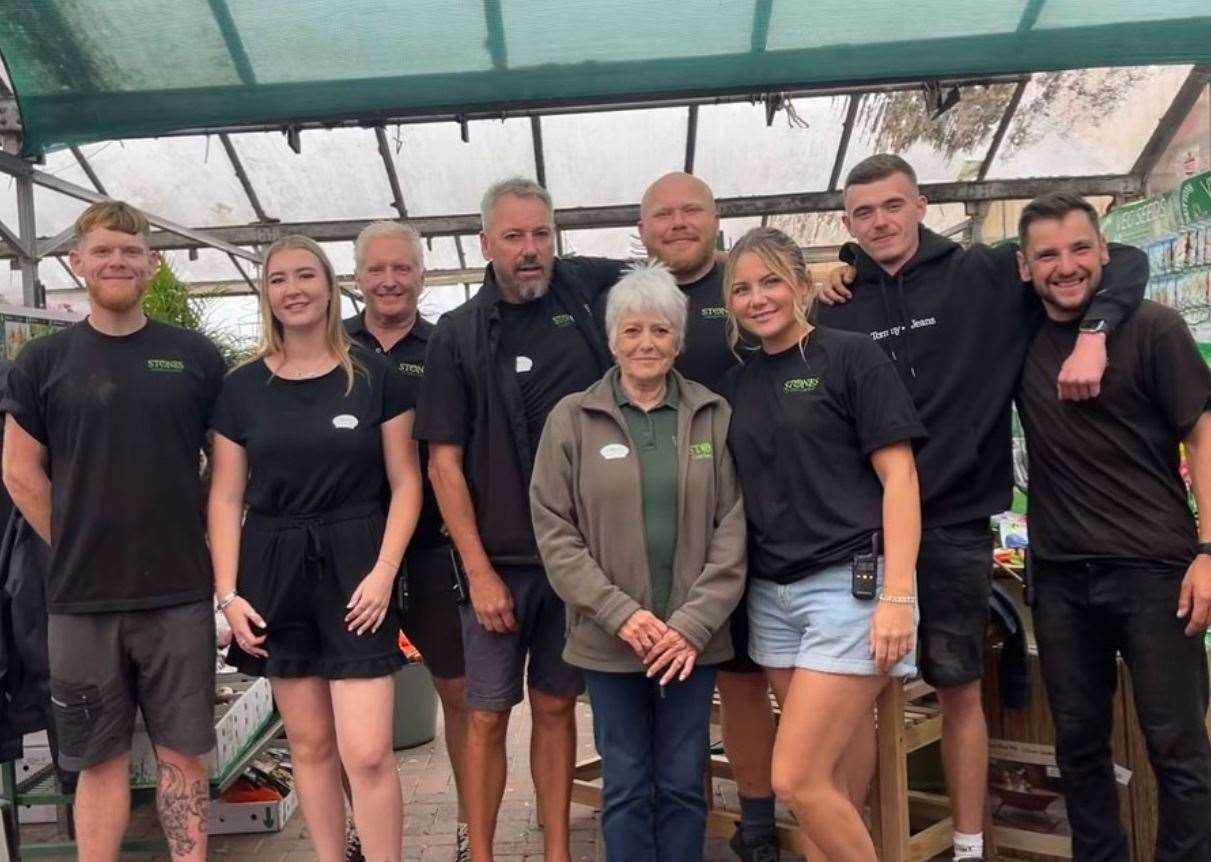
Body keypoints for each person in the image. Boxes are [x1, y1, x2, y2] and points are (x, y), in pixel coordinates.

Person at [816, 154, 1148, 862]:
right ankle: (863, 843)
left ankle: (969, 847)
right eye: (864, 213)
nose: (880, 222)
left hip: (956, 526)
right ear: (847, 224)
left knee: (958, 688)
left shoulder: (987, 274)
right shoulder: (837, 303)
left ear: (921, 205)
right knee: (862, 698)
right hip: (866, 535)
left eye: (892, 205)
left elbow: (1120, 260)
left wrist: (1095, 334)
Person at [1, 201, 226, 862]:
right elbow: (19, 472)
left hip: (180, 593)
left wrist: (197, 519)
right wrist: (72, 541)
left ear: (151, 264)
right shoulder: (43, 360)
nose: (117, 262)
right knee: (95, 761)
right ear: (77, 262)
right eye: (103, 251)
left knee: (184, 755)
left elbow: (228, 463)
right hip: (79, 602)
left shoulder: (193, 356)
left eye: (131, 251)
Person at [414, 177, 613, 862]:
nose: (530, 250)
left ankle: (556, 851)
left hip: (577, 564)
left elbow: (680, 257)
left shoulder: (587, 304)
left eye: (540, 235)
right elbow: (443, 463)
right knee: (486, 715)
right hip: (495, 563)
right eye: (514, 236)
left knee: (557, 709)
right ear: (484, 243)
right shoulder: (458, 334)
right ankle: (484, 853)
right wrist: (478, 571)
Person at [208, 235, 423, 862]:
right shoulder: (241, 387)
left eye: (307, 276)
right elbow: (225, 497)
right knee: (309, 747)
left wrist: (385, 571)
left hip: (359, 562)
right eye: (279, 279)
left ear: (331, 288)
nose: (293, 289)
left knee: (369, 752)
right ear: (266, 293)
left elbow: (407, 481)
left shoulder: (374, 376)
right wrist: (228, 593)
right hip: (273, 565)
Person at [1014, 192, 1211, 861]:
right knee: (1079, 748)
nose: (1064, 266)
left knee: (1177, 748)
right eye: (1046, 254)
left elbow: (1202, 436)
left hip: (1156, 571)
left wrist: (1208, 550)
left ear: (1104, 252)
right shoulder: (1016, 338)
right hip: (1062, 579)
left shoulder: (1153, 329)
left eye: (1078, 249)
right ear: (1023, 267)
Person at [719, 226, 924, 862]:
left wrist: (898, 593)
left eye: (772, 281)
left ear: (803, 285)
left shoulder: (850, 355)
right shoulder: (739, 384)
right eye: (743, 288)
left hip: (850, 587)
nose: (758, 299)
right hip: (771, 597)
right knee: (827, 775)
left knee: (795, 777)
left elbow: (900, 477)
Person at [530, 263, 746, 862]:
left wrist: (692, 625)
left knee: (682, 782)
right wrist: (620, 614)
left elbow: (733, 528)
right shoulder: (571, 419)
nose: (646, 343)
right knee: (623, 785)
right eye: (631, 331)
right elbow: (554, 530)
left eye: (659, 330)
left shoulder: (712, 416)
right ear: (611, 339)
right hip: (608, 639)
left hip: (690, 643)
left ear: (679, 339)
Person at [343, 220, 471, 862]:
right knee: (348, 705)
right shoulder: (330, 344)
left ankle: (471, 823)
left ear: (423, 274)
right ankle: (359, 830)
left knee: (460, 691)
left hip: (430, 549)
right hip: (344, 553)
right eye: (376, 269)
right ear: (357, 276)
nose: (390, 280)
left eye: (402, 268)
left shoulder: (448, 342)